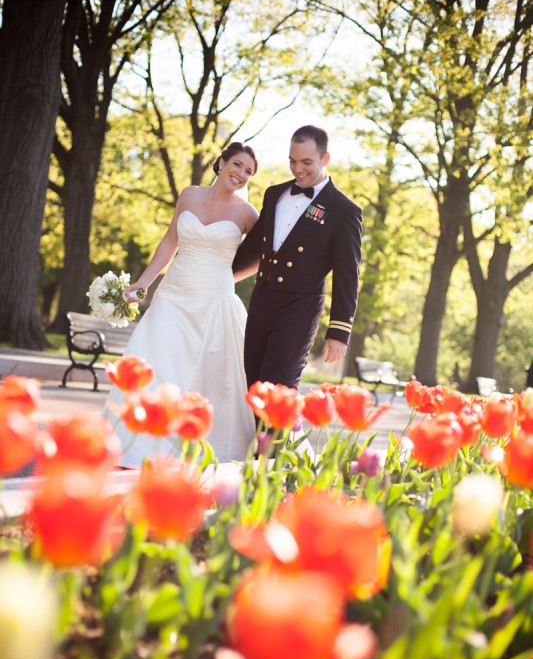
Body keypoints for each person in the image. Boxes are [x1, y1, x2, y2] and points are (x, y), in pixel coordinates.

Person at [102, 142, 259, 466]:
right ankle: (137, 445)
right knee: (153, 359)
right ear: (221, 162)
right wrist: (144, 282)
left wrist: (227, 279)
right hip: (174, 293)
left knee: (211, 376)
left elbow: (260, 257)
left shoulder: (248, 214)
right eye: (238, 165)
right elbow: (170, 240)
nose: (241, 175)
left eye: (249, 172)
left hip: (215, 300)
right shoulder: (189, 195)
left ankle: (196, 449)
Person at [233, 125, 363, 389]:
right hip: (261, 303)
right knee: (251, 386)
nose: (297, 168)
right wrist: (215, 274)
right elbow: (252, 248)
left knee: (277, 391)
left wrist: (339, 332)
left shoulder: (344, 210)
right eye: (292, 161)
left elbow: (347, 275)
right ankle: (253, 434)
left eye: (306, 162)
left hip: (298, 312)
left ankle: (273, 434)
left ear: (325, 159)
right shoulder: (274, 193)